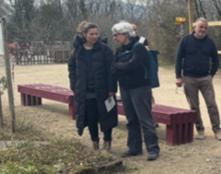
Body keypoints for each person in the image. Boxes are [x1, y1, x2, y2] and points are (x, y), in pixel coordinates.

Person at [111, 21, 159, 161]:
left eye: (116, 35)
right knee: (131, 120)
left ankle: (153, 149)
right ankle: (134, 148)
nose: (114, 38)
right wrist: (124, 66)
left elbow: (134, 66)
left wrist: (120, 66)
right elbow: (113, 69)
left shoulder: (139, 48)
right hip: (125, 89)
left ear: (125, 34)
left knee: (145, 119)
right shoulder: (119, 50)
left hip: (140, 88)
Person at [68, 21, 117, 152]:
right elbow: (72, 69)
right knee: (91, 119)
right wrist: (74, 85)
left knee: (107, 117)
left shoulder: (104, 49)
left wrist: (112, 88)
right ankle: (95, 142)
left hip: (103, 91)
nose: (94, 36)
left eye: (96, 34)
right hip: (85, 91)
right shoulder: (77, 51)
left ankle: (107, 143)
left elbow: (111, 70)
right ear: (84, 35)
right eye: (91, 34)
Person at [176, 18, 221, 141]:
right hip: (189, 78)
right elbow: (178, 58)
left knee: (212, 104)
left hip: (205, 78)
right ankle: (200, 129)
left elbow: (216, 60)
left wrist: (211, 75)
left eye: (205, 28)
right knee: (194, 107)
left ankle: (217, 130)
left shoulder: (210, 43)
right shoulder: (185, 40)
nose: (203, 30)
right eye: (201, 27)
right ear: (195, 27)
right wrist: (178, 76)